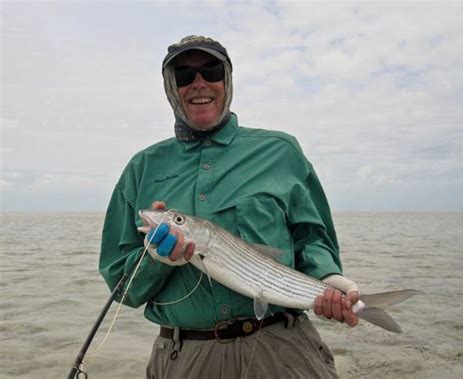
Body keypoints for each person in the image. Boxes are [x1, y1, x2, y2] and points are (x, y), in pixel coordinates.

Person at [99, 35, 360, 379]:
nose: (199, 83)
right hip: (185, 359)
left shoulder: (280, 151)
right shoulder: (141, 168)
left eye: (211, 70)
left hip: (282, 351)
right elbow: (123, 288)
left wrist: (328, 277)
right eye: (184, 75)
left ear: (228, 79)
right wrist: (155, 260)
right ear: (169, 87)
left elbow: (312, 236)